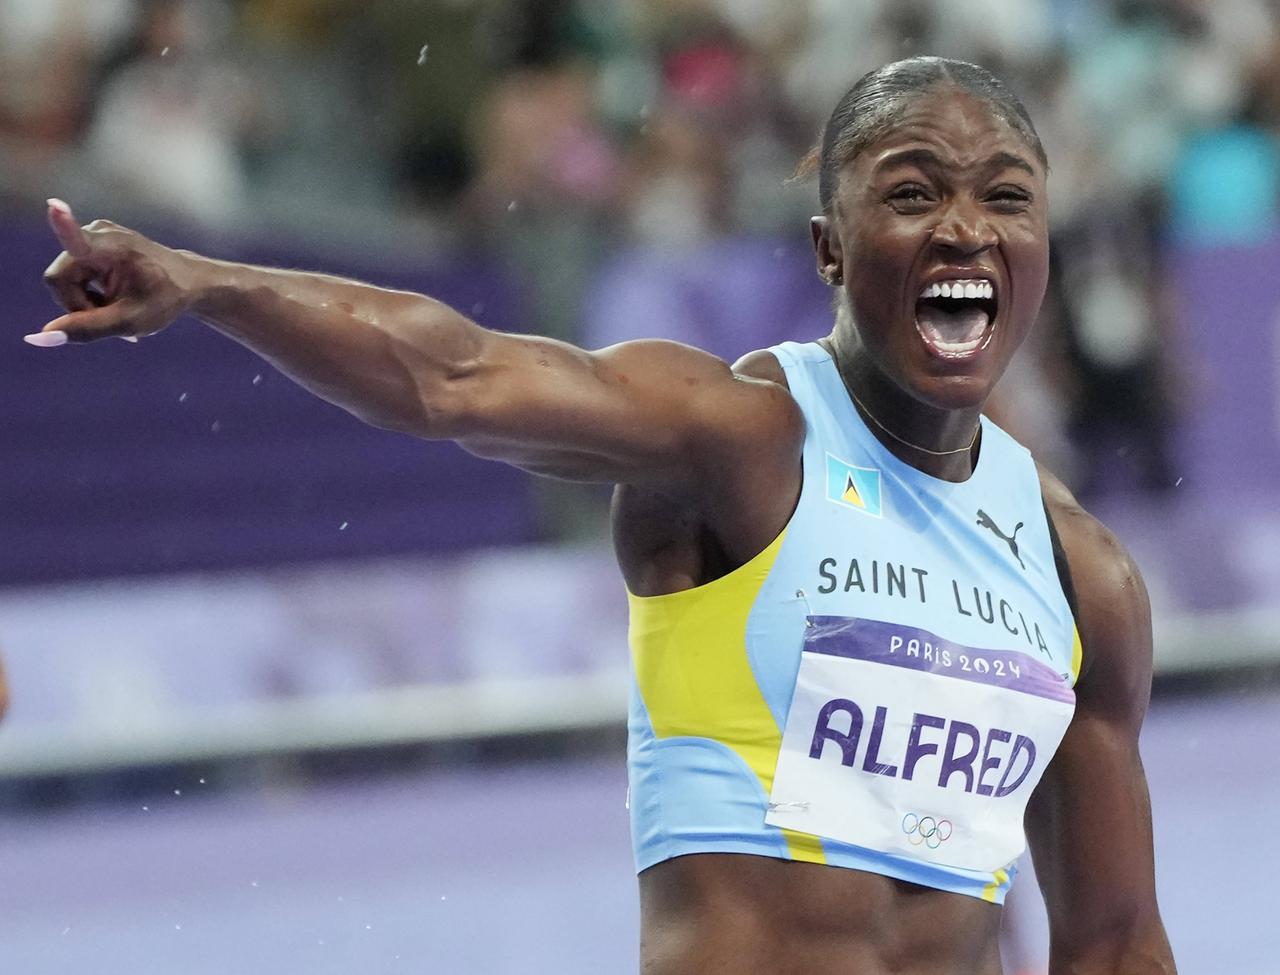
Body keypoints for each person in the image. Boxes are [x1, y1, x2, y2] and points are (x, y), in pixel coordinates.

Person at [29, 57, 1175, 975]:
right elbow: (456, 377)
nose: (964, 227)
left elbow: (1112, 943)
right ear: (829, 249)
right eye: (913, 192)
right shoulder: (737, 438)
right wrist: (209, 283)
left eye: (1006, 198)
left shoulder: (1081, 573)